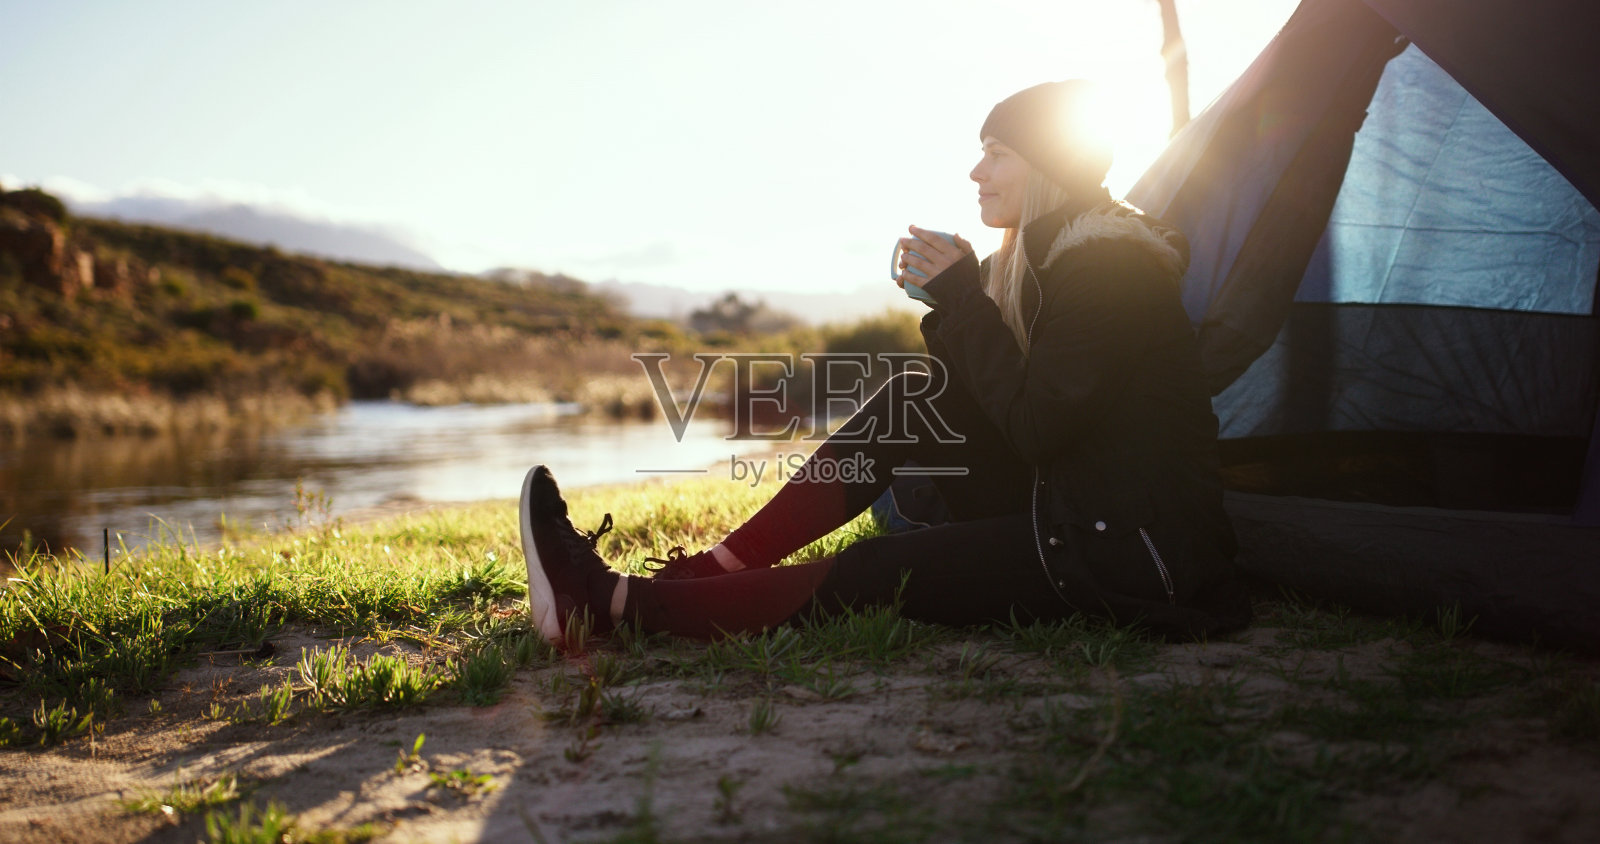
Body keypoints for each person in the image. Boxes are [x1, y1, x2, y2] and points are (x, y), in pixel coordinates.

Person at [521, 80, 1251, 648]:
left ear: (1050, 165)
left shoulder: (1109, 266)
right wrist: (965, 297)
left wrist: (964, 301)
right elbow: (992, 400)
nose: (976, 168)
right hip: (1075, 504)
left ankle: (612, 606)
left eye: (998, 152)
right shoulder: (1057, 254)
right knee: (913, 395)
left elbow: (1035, 426)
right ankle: (713, 571)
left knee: (873, 574)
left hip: (1128, 553)